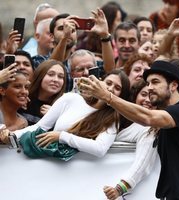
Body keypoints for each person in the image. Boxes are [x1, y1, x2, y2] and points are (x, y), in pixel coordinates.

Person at [81, 60, 179, 199]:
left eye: (155, 82)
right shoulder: (170, 118)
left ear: (173, 85)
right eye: (148, 83)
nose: (149, 88)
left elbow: (146, 117)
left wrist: (107, 96)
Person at [0, 69, 130, 160]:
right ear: (99, 81)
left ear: (121, 96)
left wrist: (62, 136)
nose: (111, 88)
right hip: (48, 163)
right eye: (108, 83)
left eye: (117, 88)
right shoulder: (71, 98)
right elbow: (40, 127)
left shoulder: (112, 120)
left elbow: (100, 149)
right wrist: (13, 136)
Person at [104, 80, 157, 200]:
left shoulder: (151, 128)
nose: (147, 100)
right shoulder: (114, 116)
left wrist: (121, 187)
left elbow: (143, 162)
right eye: (143, 94)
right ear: (135, 95)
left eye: (151, 96)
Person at [19, 59, 66, 125]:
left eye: (60, 77)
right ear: (40, 76)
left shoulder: (64, 107)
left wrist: (55, 116)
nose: (56, 80)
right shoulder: (22, 98)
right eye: (51, 74)